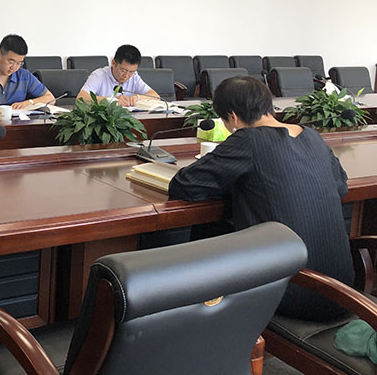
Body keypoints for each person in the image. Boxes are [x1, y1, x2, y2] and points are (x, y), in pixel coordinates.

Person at [168, 75, 354, 321]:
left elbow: (184, 185)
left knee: (206, 238)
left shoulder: (248, 139)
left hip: (293, 289)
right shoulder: (313, 137)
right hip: (343, 290)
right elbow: (341, 186)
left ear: (233, 117)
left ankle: (198, 322)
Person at [77, 44, 158, 107]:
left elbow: (155, 96)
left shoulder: (134, 77)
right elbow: (80, 99)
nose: (126, 76)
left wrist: (138, 97)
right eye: (123, 70)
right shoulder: (99, 75)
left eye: (131, 72)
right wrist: (112, 100)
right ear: (113, 63)